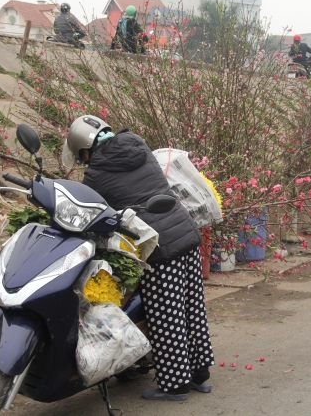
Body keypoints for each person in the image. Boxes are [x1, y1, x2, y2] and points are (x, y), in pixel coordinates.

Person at [63, 115, 214, 401]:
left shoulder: (96, 173)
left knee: (166, 315)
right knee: (192, 306)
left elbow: (96, 211)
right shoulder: (138, 146)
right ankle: (199, 373)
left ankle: (175, 385)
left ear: (85, 149)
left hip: (158, 245)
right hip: (184, 230)